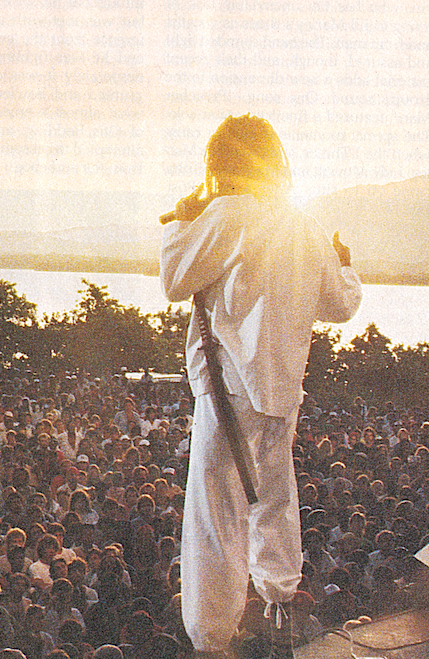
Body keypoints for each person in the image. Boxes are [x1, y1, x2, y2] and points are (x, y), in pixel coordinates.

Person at [160, 114, 362, 658]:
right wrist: (343, 265)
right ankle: (277, 597)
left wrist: (182, 222)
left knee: (215, 509)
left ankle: (211, 637)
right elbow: (341, 304)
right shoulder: (304, 226)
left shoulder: (225, 214)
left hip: (228, 390)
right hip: (282, 392)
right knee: (274, 491)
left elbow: (174, 279)